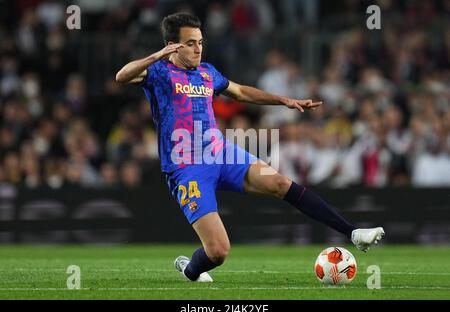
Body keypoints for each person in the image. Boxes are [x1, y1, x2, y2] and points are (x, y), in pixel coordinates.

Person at [115, 13, 385, 283]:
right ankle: (190, 270)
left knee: (279, 182)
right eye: (190, 43)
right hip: (186, 166)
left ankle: (353, 234)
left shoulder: (208, 72)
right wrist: (157, 55)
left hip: (221, 153)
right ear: (173, 45)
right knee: (218, 251)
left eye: (200, 42)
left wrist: (284, 100)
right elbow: (122, 76)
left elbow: (242, 92)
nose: (198, 49)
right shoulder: (160, 73)